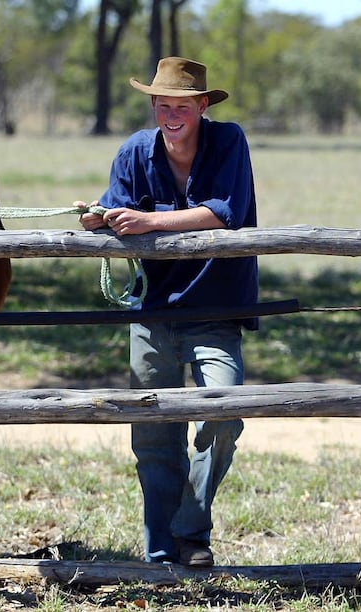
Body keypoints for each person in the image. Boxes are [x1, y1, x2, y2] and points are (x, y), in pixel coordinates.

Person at [75, 57, 259, 567]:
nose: (171, 113)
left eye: (182, 105)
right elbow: (117, 207)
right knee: (153, 435)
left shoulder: (229, 141)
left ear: (202, 106)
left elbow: (224, 213)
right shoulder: (135, 151)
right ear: (153, 105)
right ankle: (163, 554)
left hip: (217, 307)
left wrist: (148, 220)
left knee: (223, 416)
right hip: (153, 310)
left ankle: (189, 530)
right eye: (163, 104)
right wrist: (99, 217)